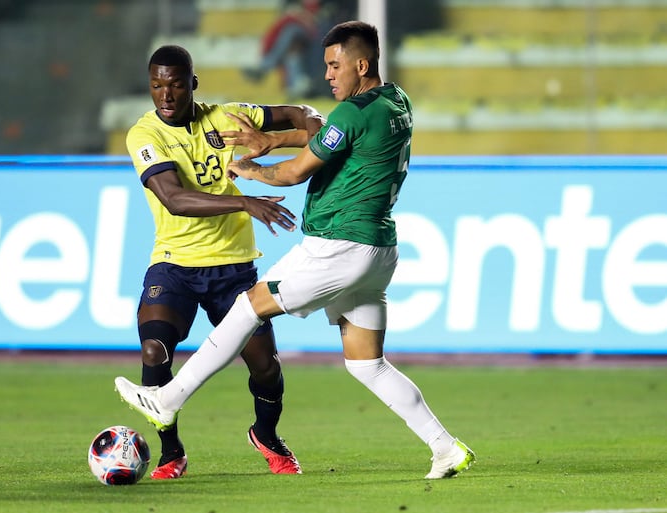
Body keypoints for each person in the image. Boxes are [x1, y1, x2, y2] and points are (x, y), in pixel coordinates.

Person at [115, 22, 476, 479]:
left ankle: (168, 400)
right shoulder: (396, 101)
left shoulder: (348, 115)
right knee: (368, 364)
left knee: (248, 309)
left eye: (333, 64)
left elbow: (292, 174)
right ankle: (445, 448)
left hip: (338, 246)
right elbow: (326, 131)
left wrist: (250, 172)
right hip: (379, 250)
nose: (326, 74)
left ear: (361, 65)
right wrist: (271, 139)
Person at [120, 44, 325, 479]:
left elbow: (299, 113)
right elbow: (173, 198)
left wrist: (317, 126)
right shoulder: (145, 135)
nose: (166, 95)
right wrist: (244, 202)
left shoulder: (228, 118)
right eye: (156, 85)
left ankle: (266, 436)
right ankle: (171, 452)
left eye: (175, 84)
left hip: (232, 269)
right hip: (174, 264)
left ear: (192, 84)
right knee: (155, 350)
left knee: (266, 367)